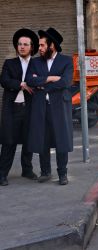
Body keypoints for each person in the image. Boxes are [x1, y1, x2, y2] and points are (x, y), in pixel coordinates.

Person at [27, 27, 73, 185]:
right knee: (43, 140)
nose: (38, 48)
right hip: (41, 106)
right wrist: (52, 78)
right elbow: (30, 80)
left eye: (41, 45)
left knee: (62, 140)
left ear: (51, 45)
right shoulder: (35, 62)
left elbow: (66, 81)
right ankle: (45, 172)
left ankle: (62, 174)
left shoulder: (66, 61)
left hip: (60, 106)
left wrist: (42, 82)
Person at [0, 28, 39, 186]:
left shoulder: (37, 64)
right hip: (12, 108)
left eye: (25, 44)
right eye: (19, 44)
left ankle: (27, 170)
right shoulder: (9, 63)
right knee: (8, 141)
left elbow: (42, 81)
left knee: (28, 140)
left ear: (31, 47)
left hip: (30, 108)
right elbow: (4, 80)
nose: (22, 47)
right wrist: (21, 84)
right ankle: (2, 173)